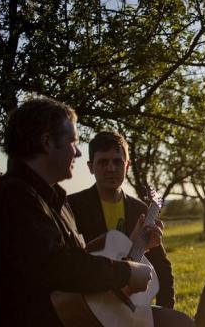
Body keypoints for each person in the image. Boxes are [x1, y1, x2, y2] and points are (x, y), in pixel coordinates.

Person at [0, 97, 195, 327]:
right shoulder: (13, 197)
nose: (77, 152)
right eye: (74, 142)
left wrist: (134, 248)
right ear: (48, 142)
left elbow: (79, 259)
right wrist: (125, 272)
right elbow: (57, 266)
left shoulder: (53, 201)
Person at [68, 130, 175, 309]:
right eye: (103, 162)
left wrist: (166, 309)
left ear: (127, 166)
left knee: (180, 325)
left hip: (131, 305)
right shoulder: (72, 206)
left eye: (117, 161)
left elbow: (162, 267)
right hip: (88, 305)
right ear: (90, 166)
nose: (111, 168)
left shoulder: (141, 210)